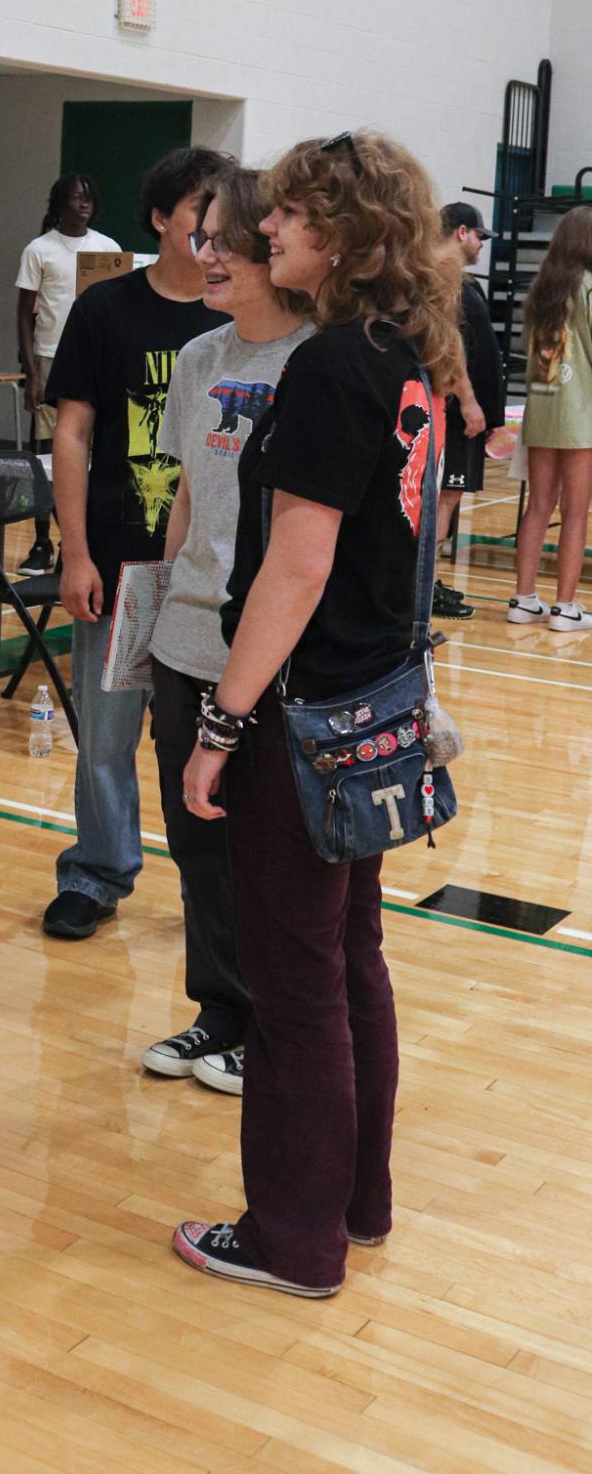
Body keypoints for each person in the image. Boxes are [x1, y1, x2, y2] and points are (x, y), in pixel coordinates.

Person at [173, 129, 462, 1298]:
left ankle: (293, 1238)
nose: (264, 230)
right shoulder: (399, 353)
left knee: (295, 984)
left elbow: (295, 566)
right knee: (348, 963)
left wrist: (220, 722)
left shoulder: (330, 363)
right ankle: (354, 1200)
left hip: (305, 716)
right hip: (374, 699)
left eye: (287, 216)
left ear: (339, 236)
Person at [142, 168, 311, 1095]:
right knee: (197, 844)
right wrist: (162, 606)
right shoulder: (202, 358)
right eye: (197, 236)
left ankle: (276, 1030)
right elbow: (185, 505)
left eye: (221, 238)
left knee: (271, 856)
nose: (202, 252)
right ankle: (219, 1012)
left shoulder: (317, 360)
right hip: (185, 643)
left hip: (273, 659)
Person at [41, 146, 228, 939]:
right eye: (200, 220)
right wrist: (75, 550)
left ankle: (213, 889)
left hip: (208, 575)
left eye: (227, 226)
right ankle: (98, 869)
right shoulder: (106, 310)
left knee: (201, 742)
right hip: (118, 559)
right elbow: (73, 435)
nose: (215, 240)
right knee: (106, 734)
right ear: (161, 218)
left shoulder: (241, 318)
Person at [14, 172, 120, 573]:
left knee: (90, 456)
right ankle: (41, 542)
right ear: (60, 203)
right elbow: (24, 315)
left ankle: (78, 543)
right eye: (76, 198)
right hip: (50, 357)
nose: (84, 204)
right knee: (46, 455)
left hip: (97, 361)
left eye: (89, 197)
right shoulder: (39, 249)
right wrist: (31, 373)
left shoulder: (107, 248)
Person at [510, 206, 592, 632]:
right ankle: (565, 607)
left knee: (539, 506)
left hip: (541, 407)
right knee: (575, 512)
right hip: (580, 415)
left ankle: (523, 599)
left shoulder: (541, 290)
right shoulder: (589, 288)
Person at [434, 202, 505, 620]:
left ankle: (425, 584)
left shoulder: (464, 280)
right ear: (461, 232)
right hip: (452, 411)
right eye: (479, 236)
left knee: (447, 499)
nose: (481, 244)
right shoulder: (443, 277)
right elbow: (448, 345)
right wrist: (469, 400)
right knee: (444, 499)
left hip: (461, 413)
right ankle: (418, 589)